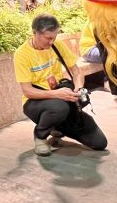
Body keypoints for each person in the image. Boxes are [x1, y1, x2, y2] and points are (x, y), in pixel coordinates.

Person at [14, 14, 108, 156]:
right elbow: (27, 91)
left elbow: (76, 72)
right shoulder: (22, 54)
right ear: (35, 33)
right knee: (58, 107)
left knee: (100, 143)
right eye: (48, 38)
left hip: (62, 98)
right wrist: (57, 94)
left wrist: (78, 88)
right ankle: (40, 137)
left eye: (54, 37)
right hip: (36, 102)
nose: (52, 42)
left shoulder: (56, 45)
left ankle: (56, 125)